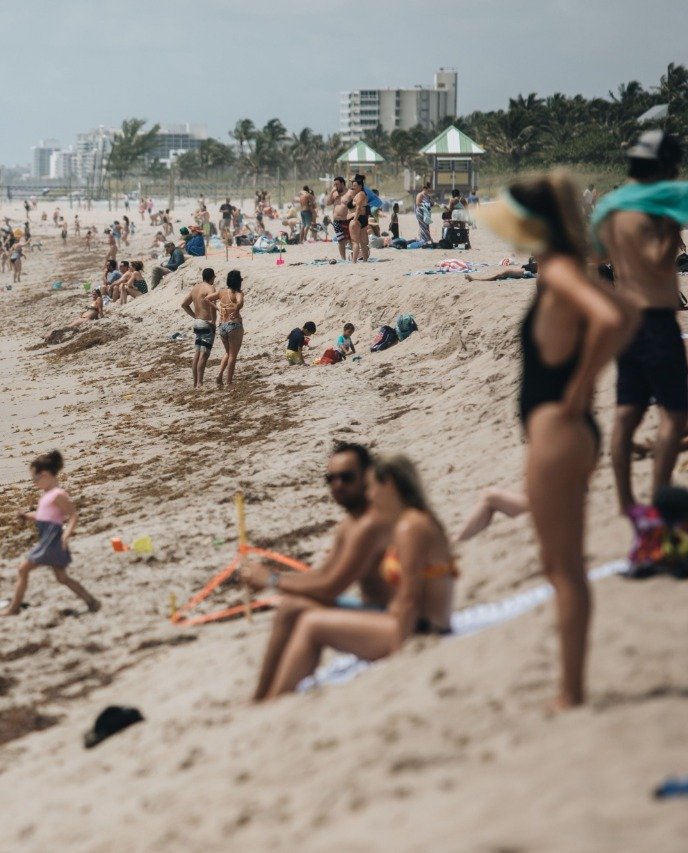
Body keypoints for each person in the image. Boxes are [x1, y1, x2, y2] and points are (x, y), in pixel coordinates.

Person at [480, 171, 637, 710]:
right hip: (567, 431)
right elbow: (626, 310)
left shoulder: (560, 268)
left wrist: (578, 387)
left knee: (563, 570)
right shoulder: (566, 265)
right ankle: (570, 685)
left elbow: (616, 316)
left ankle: (570, 691)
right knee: (563, 567)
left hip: (558, 429)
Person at [259, 455, 457, 700]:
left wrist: (400, 656)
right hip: (414, 622)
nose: (371, 496)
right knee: (300, 612)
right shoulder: (412, 521)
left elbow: (410, 598)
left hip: (423, 629)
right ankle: (268, 697)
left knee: (312, 624)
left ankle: (275, 701)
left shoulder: (410, 528)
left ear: (390, 485)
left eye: (373, 487)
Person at [243, 442, 394, 700]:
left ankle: (271, 701)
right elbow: (321, 576)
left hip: (391, 617)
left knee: (296, 611)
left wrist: (271, 579)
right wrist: (275, 579)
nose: (338, 485)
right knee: (291, 606)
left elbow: (330, 587)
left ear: (367, 477)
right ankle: (260, 699)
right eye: (331, 479)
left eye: (347, 478)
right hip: (374, 610)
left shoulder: (370, 524)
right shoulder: (351, 523)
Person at [592, 131, 688, 520]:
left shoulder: (612, 207)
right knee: (675, 413)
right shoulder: (653, 209)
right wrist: (670, 228)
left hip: (625, 320)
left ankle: (625, 504)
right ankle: (659, 500)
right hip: (655, 319)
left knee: (626, 414)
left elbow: (598, 259)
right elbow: (657, 260)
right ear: (662, 168)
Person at [0, 450, 101, 616]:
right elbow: (43, 516)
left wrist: (66, 535)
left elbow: (73, 515)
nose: (34, 482)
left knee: (23, 570)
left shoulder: (58, 495)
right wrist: (25, 516)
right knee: (62, 578)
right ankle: (92, 602)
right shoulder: (47, 494)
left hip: (52, 542)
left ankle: (13, 609)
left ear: (45, 475)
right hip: (49, 540)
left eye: (35, 479)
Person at [206, 269, 245, 387]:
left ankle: (219, 375)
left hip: (222, 325)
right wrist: (237, 309)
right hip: (234, 325)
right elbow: (240, 302)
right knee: (233, 355)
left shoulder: (221, 292)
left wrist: (217, 308)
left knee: (228, 352)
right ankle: (229, 382)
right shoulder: (238, 293)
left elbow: (206, 298)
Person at [181, 267, 217, 389]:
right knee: (204, 354)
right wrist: (214, 321)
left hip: (197, 322)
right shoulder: (210, 288)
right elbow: (212, 306)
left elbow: (184, 305)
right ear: (212, 277)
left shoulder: (196, 288)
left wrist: (194, 316)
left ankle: (195, 382)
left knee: (197, 353)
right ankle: (200, 383)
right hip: (206, 323)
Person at [328, 177, 351, 260]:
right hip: (336, 221)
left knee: (350, 240)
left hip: (347, 220)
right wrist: (331, 192)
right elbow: (328, 203)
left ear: (342, 183)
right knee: (340, 241)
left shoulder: (349, 193)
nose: (335, 186)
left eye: (337, 184)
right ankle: (343, 258)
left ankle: (354, 256)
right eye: (334, 184)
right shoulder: (335, 194)